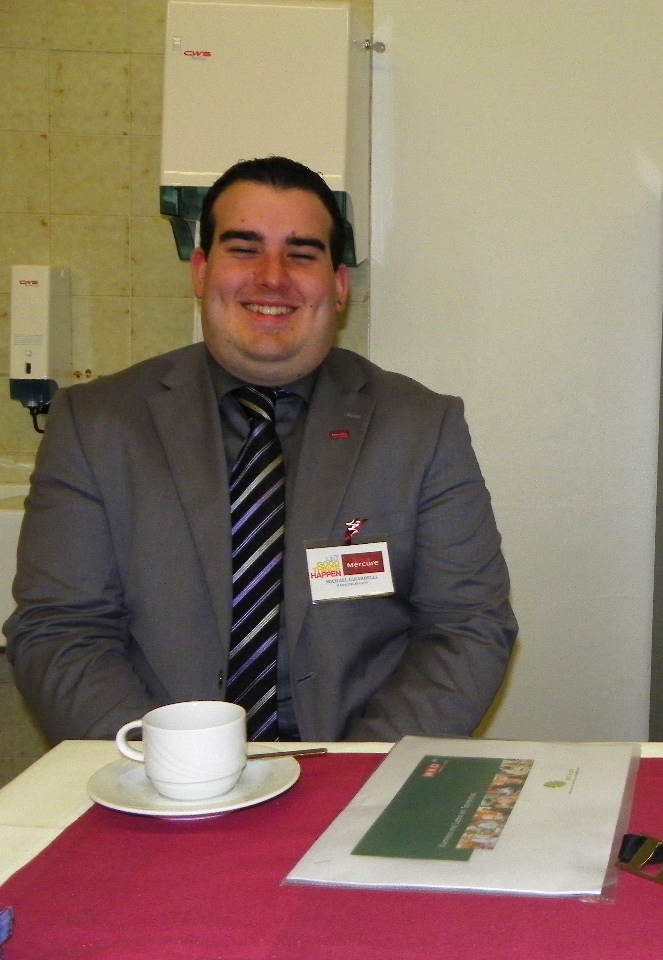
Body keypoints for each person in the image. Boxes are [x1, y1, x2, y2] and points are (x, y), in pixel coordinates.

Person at [4, 156, 517, 745]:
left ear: (339, 285)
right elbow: (60, 630)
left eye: (301, 254)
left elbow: (468, 627)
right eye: (244, 249)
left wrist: (360, 773)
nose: (272, 277)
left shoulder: (422, 428)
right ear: (201, 271)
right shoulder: (96, 425)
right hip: (154, 771)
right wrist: (170, 764)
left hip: (359, 765)